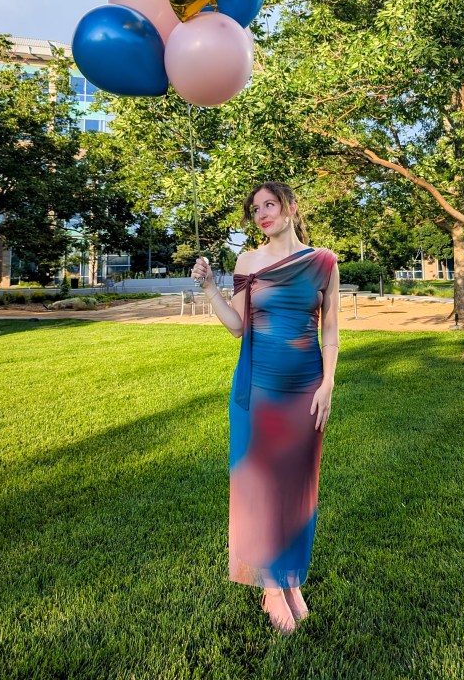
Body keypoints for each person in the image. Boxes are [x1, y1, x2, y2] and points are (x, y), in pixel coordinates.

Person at [191, 181, 339, 635]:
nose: (262, 213)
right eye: (255, 209)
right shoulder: (248, 262)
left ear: (291, 207)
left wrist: (328, 384)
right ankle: (270, 588)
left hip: (307, 387)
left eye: (269, 204)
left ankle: (290, 578)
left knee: (298, 486)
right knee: (262, 485)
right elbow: (238, 326)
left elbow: (330, 329)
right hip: (259, 387)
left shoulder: (323, 261)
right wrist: (211, 287)